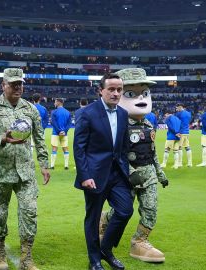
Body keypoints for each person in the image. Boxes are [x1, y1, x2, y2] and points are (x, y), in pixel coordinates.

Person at [0, 68, 50, 270]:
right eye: (13, 84)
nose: (18, 87)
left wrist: (44, 164)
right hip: (0, 172)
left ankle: (26, 258)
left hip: (25, 172)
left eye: (20, 83)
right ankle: (0, 254)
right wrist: (2, 138)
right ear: (3, 85)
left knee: (29, 213)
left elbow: (40, 138)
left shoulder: (30, 109)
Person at [100, 68, 169, 263]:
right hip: (125, 176)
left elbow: (153, 151)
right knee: (121, 210)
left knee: (151, 209)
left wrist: (160, 172)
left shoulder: (148, 125)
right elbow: (115, 154)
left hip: (149, 175)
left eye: (144, 93)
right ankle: (104, 221)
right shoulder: (117, 124)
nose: (140, 98)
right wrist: (130, 172)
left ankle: (139, 241)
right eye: (131, 93)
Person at [74, 73, 133, 270]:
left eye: (119, 89)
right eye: (112, 89)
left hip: (117, 174)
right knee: (93, 218)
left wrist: (125, 168)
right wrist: (85, 176)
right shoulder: (86, 113)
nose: (116, 93)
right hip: (94, 176)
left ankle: (105, 250)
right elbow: (79, 148)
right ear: (101, 90)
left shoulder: (124, 114)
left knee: (125, 211)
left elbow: (123, 147)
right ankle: (94, 260)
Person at [50, 98, 71, 170]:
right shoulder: (68, 112)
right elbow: (69, 124)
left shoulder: (54, 112)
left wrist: (59, 131)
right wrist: (64, 131)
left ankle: (52, 166)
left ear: (59, 102)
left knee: (54, 148)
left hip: (55, 133)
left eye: (55, 102)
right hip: (64, 134)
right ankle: (66, 166)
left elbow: (53, 123)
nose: (54, 103)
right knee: (65, 148)